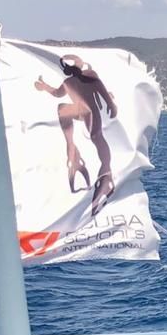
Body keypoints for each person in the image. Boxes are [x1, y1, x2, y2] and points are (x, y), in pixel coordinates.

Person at [35, 52, 118, 214]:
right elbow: (103, 94)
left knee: (95, 135)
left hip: (87, 111)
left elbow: (58, 93)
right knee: (66, 112)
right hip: (84, 111)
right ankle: (73, 152)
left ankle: (105, 172)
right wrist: (110, 104)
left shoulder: (82, 79)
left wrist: (110, 103)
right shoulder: (87, 78)